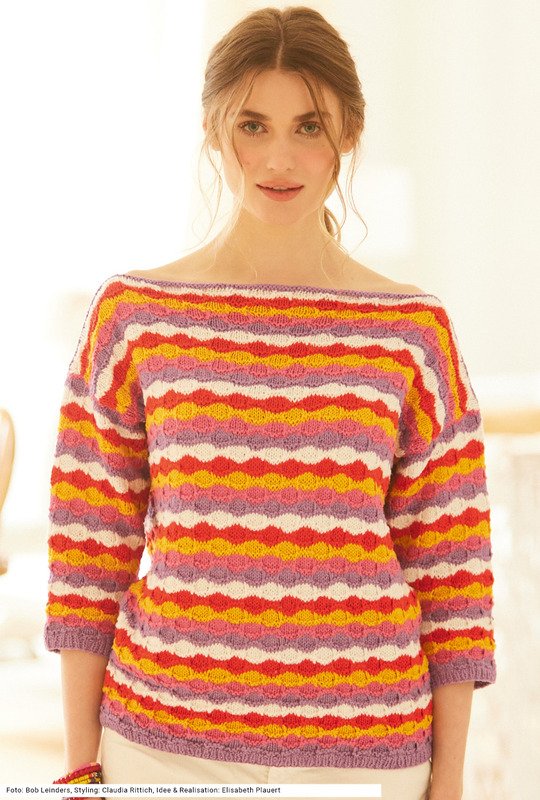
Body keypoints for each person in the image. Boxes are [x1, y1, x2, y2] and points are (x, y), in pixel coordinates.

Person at [44, 6, 496, 800]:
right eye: (253, 126)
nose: (279, 157)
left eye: (308, 127)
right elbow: (88, 560)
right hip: (163, 747)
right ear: (214, 131)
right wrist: (83, 767)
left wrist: (449, 781)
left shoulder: (412, 334)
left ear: (348, 133)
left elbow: (452, 581)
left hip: (368, 750)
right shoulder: (133, 318)